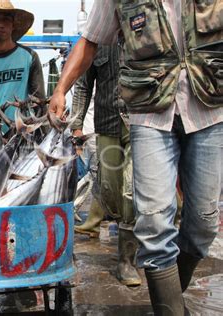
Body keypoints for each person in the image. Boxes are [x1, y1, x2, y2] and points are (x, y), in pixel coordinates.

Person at [49, 1, 222, 314]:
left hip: (210, 110)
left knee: (203, 225)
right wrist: (61, 89)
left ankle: (173, 299)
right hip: (148, 113)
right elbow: (89, 41)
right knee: (154, 224)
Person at [71, 44, 141, 287]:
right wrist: (76, 125)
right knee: (110, 193)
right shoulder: (97, 40)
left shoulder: (142, 30)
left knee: (130, 191)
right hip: (107, 124)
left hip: (140, 123)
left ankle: (126, 260)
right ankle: (133, 236)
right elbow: (82, 85)